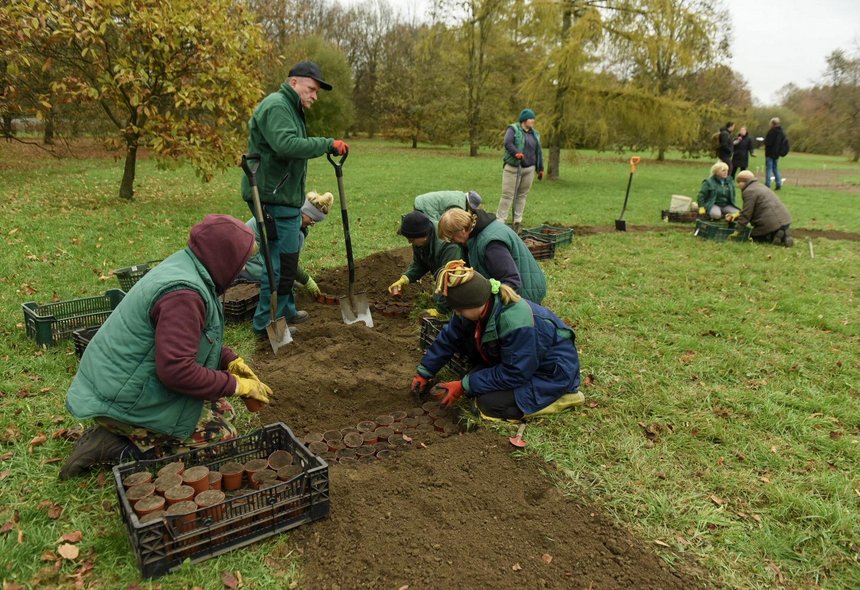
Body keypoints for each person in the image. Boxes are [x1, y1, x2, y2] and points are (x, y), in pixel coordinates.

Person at [60, 215, 273, 479]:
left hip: (122, 381)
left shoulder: (189, 267)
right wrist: (236, 384)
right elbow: (176, 372)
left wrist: (229, 360)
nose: (241, 270)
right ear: (223, 257)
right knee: (221, 441)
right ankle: (118, 448)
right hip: (121, 396)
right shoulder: (184, 294)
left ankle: (131, 432)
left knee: (222, 408)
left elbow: (192, 337)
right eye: (240, 263)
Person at [241, 60, 348, 337]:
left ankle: (285, 309)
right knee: (278, 264)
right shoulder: (277, 106)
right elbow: (285, 145)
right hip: (273, 198)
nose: (314, 95)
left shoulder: (290, 107)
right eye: (311, 89)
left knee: (286, 260)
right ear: (294, 83)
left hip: (283, 197)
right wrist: (326, 143)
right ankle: (266, 323)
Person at [409, 261, 582, 422]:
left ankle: (565, 396)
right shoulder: (476, 306)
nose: (458, 314)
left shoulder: (515, 322)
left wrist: (464, 385)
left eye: (460, 310)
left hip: (550, 373)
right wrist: (425, 372)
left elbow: (515, 373)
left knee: (488, 405)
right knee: (474, 383)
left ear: (475, 303)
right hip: (522, 363)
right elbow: (448, 338)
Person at [240, 191, 334, 306]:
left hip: (263, 254)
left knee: (290, 285)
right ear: (304, 212)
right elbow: (287, 261)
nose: (313, 224)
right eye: (312, 220)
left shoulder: (293, 219)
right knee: (283, 289)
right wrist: (306, 280)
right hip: (247, 260)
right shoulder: (287, 224)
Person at [438, 207, 547, 304]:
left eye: (452, 238)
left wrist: (486, 304)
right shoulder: (473, 235)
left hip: (524, 294)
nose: (453, 242)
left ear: (462, 231)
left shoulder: (491, 244)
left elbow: (511, 282)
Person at [387, 211, 465, 310]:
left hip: (462, 280)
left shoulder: (447, 246)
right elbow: (420, 263)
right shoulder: (420, 239)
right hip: (445, 276)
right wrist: (406, 278)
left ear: (424, 236)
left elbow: (449, 280)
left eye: (411, 239)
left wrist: (440, 310)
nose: (409, 242)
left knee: (444, 302)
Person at [496, 108, 544, 234]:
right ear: (524, 120)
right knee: (508, 195)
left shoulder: (535, 134)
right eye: (530, 118)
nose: (533, 121)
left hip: (529, 168)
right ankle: (500, 221)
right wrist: (516, 153)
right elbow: (508, 142)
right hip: (513, 167)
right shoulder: (513, 129)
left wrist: (540, 168)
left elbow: (539, 152)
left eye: (533, 118)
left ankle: (517, 221)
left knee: (522, 195)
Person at [730, 170, 794, 246]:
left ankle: (771, 237)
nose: (738, 185)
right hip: (785, 219)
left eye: (738, 182)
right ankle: (782, 233)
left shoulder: (748, 191)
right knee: (774, 227)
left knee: (752, 236)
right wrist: (738, 215)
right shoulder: (760, 186)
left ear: (743, 182)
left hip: (769, 223)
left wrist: (738, 229)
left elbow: (747, 213)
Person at [414, 190, 483, 222]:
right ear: (469, 203)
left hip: (421, 201)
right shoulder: (458, 205)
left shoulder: (460, 195)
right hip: (426, 206)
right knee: (436, 228)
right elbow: (450, 221)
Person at [764, 117, 787, 190]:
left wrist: (765, 141)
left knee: (769, 169)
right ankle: (778, 183)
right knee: (775, 168)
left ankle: (767, 184)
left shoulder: (771, 132)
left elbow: (768, 143)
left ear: (772, 124)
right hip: (777, 154)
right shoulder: (782, 132)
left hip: (770, 153)